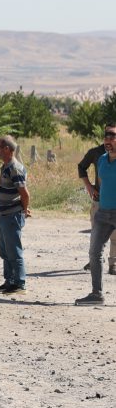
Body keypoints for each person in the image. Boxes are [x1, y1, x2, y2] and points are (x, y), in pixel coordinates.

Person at [76, 125, 116, 305]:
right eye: (106, 136)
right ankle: (96, 294)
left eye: (113, 136)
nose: (108, 139)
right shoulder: (100, 159)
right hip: (103, 212)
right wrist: (90, 188)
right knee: (94, 253)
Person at [0, 135, 31, 295]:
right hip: (3, 215)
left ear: (7, 149)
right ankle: (9, 281)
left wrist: (24, 209)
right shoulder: (6, 166)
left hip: (11, 216)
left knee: (14, 250)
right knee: (5, 251)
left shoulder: (15, 168)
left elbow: (25, 194)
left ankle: (19, 283)